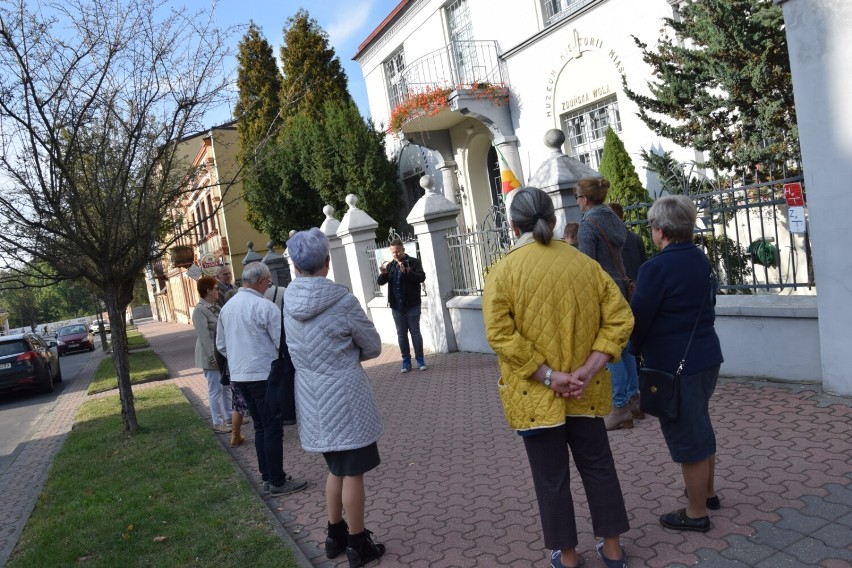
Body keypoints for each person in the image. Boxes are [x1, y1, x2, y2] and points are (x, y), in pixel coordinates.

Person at [483, 187, 633, 568]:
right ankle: (613, 550)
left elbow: (500, 335)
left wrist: (548, 376)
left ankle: (567, 557)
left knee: (551, 478)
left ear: (513, 224)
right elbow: (620, 318)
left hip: (535, 396)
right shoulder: (585, 265)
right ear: (553, 219)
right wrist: (590, 367)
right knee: (598, 467)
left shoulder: (501, 272)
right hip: (586, 388)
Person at [284, 228, 386, 568]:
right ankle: (358, 543)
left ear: (296, 266)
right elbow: (372, 346)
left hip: (312, 398)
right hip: (346, 397)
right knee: (353, 471)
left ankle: (334, 535)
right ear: (327, 263)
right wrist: (345, 354)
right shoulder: (342, 301)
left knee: (335, 469)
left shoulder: (287, 303)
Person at [629, 195, 723, 533]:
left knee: (688, 438)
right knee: (699, 425)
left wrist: (633, 349)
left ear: (660, 230)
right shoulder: (700, 259)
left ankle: (696, 513)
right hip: (707, 357)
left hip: (674, 365)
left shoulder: (655, 268)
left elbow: (639, 320)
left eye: (653, 226)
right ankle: (708, 493)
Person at [216, 261, 307, 497]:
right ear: (259, 281)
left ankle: (267, 475)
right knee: (273, 427)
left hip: (240, 375)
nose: (269, 284)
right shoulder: (264, 306)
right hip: (264, 374)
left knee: (260, 426)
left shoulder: (227, 308)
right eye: (268, 281)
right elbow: (281, 342)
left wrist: (239, 358)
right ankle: (276, 480)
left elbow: (221, 345)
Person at [575, 177, 640, 430]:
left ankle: (620, 406)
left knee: (610, 348)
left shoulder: (588, 225)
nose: (578, 202)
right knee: (625, 345)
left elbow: (586, 267)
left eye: (579, 197)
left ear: (585, 199)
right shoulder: (613, 217)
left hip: (603, 291)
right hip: (622, 286)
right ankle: (635, 398)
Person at [377, 238, 427, 373]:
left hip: (412, 304)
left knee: (415, 332)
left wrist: (409, 272)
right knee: (401, 334)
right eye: (393, 252)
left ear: (403, 250)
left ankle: (420, 359)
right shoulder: (391, 266)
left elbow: (421, 277)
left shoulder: (413, 262)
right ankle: (406, 361)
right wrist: (383, 274)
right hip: (396, 306)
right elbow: (381, 282)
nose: (396, 254)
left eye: (398, 251)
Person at [191, 276, 231, 434]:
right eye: (215, 288)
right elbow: (203, 337)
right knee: (215, 389)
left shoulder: (214, 306)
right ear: (207, 290)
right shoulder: (199, 310)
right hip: (210, 355)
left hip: (221, 353)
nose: (218, 291)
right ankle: (217, 421)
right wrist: (212, 357)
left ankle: (229, 416)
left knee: (226, 386)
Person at [608, 202, 647, 281]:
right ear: (622, 217)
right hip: (637, 285)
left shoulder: (605, 240)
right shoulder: (636, 238)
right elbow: (644, 265)